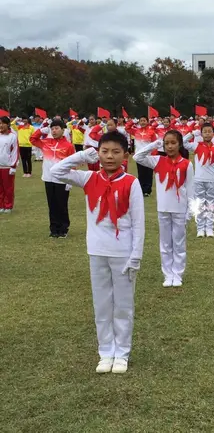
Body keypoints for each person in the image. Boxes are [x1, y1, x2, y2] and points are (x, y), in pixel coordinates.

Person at [50, 131, 145, 374]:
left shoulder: (131, 182)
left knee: (123, 306)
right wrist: (82, 154)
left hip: (123, 253)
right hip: (97, 251)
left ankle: (122, 352)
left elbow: (138, 223)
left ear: (125, 155)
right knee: (102, 305)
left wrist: (136, 255)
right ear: (98, 153)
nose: (109, 156)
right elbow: (55, 172)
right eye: (104, 151)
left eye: (115, 152)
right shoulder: (88, 178)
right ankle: (106, 352)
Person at [134, 130, 194, 287]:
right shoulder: (157, 161)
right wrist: (155, 144)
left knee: (179, 243)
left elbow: (191, 190)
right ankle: (168, 274)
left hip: (180, 209)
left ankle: (178, 274)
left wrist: (190, 211)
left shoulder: (187, 164)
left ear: (179, 144)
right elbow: (137, 157)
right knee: (166, 244)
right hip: (163, 209)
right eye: (166, 143)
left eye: (173, 143)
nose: (169, 146)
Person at [30, 119, 75, 237]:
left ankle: (63, 228)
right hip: (48, 178)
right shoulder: (46, 142)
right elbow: (32, 139)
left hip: (62, 179)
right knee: (52, 204)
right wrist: (40, 130)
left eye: (57, 128)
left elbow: (72, 163)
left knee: (62, 204)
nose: (54, 131)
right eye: (52, 129)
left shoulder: (68, 145)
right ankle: (54, 228)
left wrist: (70, 180)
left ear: (63, 130)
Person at [184, 123, 214, 238]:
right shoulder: (197, 146)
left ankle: (209, 227)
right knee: (199, 204)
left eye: (209, 131)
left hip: (211, 180)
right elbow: (183, 142)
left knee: (211, 204)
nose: (207, 134)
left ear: (213, 133)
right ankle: (200, 228)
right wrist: (192, 133)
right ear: (201, 133)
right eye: (204, 131)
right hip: (199, 180)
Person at [125, 116, 157, 196]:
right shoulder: (135, 131)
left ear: (147, 122)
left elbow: (155, 144)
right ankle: (142, 190)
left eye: (144, 120)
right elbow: (127, 128)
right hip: (139, 156)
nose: (142, 122)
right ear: (139, 122)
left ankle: (147, 191)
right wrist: (132, 121)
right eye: (141, 121)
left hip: (148, 156)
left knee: (148, 173)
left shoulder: (151, 132)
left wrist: (153, 155)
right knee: (141, 173)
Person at [0, 116, 19, 213]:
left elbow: (15, 152)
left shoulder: (12, 136)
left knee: (8, 188)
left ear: (7, 124)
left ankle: (8, 206)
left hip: (7, 166)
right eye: (0, 123)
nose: (1, 125)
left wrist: (13, 166)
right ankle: (1, 205)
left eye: (3, 123)